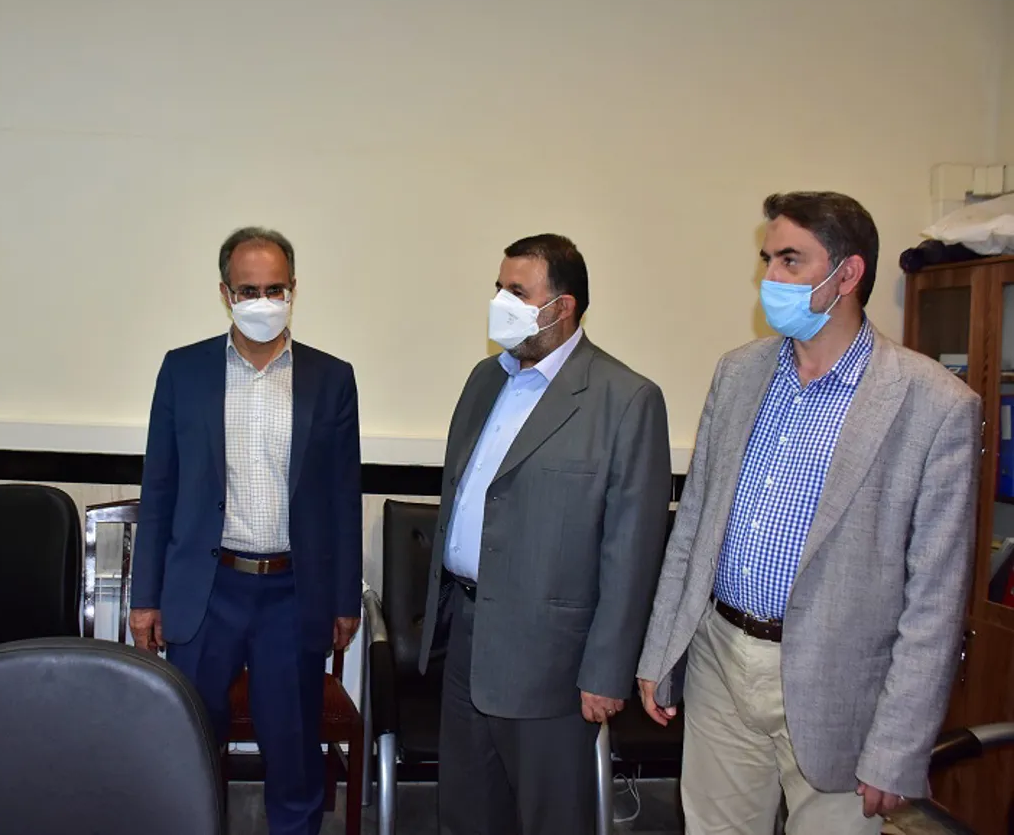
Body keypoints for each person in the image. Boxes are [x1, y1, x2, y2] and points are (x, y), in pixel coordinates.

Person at [637, 192, 981, 834]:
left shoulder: (934, 405)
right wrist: (659, 651)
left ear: (847, 274)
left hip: (838, 686)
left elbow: (935, 601)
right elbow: (693, 527)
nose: (770, 277)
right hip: (720, 656)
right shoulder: (738, 373)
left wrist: (898, 747)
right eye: (767, 259)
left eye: (790, 260)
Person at [417, 234, 673, 835]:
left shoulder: (625, 400)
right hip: (467, 639)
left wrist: (607, 672)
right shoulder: (485, 379)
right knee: (466, 815)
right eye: (498, 288)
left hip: (552, 663)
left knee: (549, 819)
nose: (500, 303)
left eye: (517, 292)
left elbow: (632, 553)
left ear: (562, 307)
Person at [128, 227, 362, 835]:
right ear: (226, 293)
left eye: (274, 289)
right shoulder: (183, 371)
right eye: (248, 290)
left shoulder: (331, 378)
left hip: (292, 591)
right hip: (206, 589)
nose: (263, 301)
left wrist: (345, 598)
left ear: (293, 289)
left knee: (293, 750)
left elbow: (342, 497)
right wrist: (145, 596)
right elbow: (160, 487)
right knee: (189, 744)